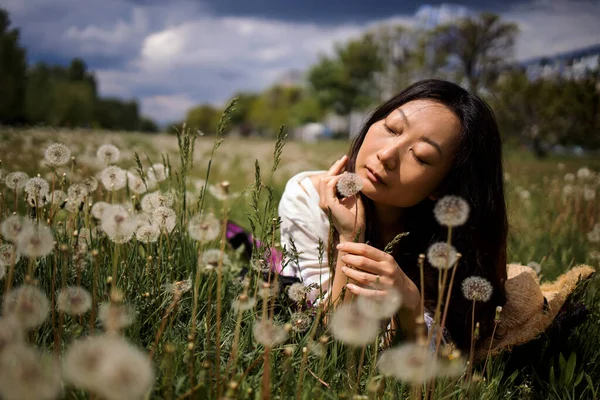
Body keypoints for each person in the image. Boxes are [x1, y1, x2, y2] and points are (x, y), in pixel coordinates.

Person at [278, 79, 508, 352]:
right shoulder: (308, 198)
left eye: (421, 157)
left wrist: (410, 306)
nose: (386, 155)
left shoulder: (451, 245)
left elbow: (447, 353)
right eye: (391, 128)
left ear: (444, 186)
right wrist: (352, 236)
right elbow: (325, 341)